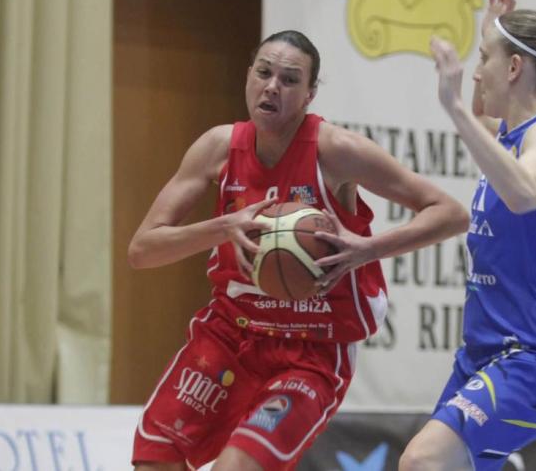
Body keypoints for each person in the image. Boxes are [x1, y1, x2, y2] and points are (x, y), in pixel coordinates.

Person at [128, 30, 469, 471]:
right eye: (263, 73)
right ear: (248, 76)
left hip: (311, 350)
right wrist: (224, 226)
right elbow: (143, 250)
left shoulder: (337, 151)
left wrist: (366, 249)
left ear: (309, 94)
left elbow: (449, 212)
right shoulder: (217, 147)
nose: (272, 86)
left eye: (289, 79)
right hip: (231, 334)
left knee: (237, 466)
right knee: (154, 460)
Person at [400, 0, 536, 471]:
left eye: (484, 58)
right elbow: (483, 119)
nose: (475, 72)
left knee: (423, 462)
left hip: (533, 359)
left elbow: (526, 192)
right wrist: (490, 29)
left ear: (514, 68)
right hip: (484, 354)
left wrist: (451, 106)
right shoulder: (512, 136)